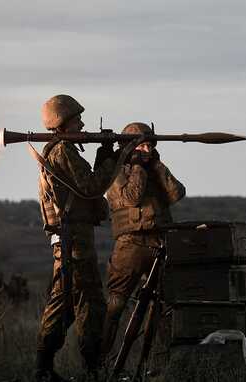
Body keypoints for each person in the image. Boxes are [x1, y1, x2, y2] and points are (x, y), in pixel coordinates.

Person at [33, 94, 119, 382]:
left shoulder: (59, 151)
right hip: (74, 242)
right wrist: (108, 156)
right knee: (90, 303)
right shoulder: (63, 153)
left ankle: (43, 368)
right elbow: (92, 186)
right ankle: (93, 369)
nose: (83, 125)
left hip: (71, 239)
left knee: (66, 303)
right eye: (77, 120)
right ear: (63, 124)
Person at [100, 122, 186, 360]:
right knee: (115, 306)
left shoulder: (153, 169)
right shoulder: (115, 168)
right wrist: (137, 166)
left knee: (163, 307)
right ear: (130, 147)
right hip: (131, 245)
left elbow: (176, 193)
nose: (147, 150)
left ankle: (161, 364)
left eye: (151, 145)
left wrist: (157, 165)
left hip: (160, 242)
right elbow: (132, 197)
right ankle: (97, 363)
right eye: (143, 145)